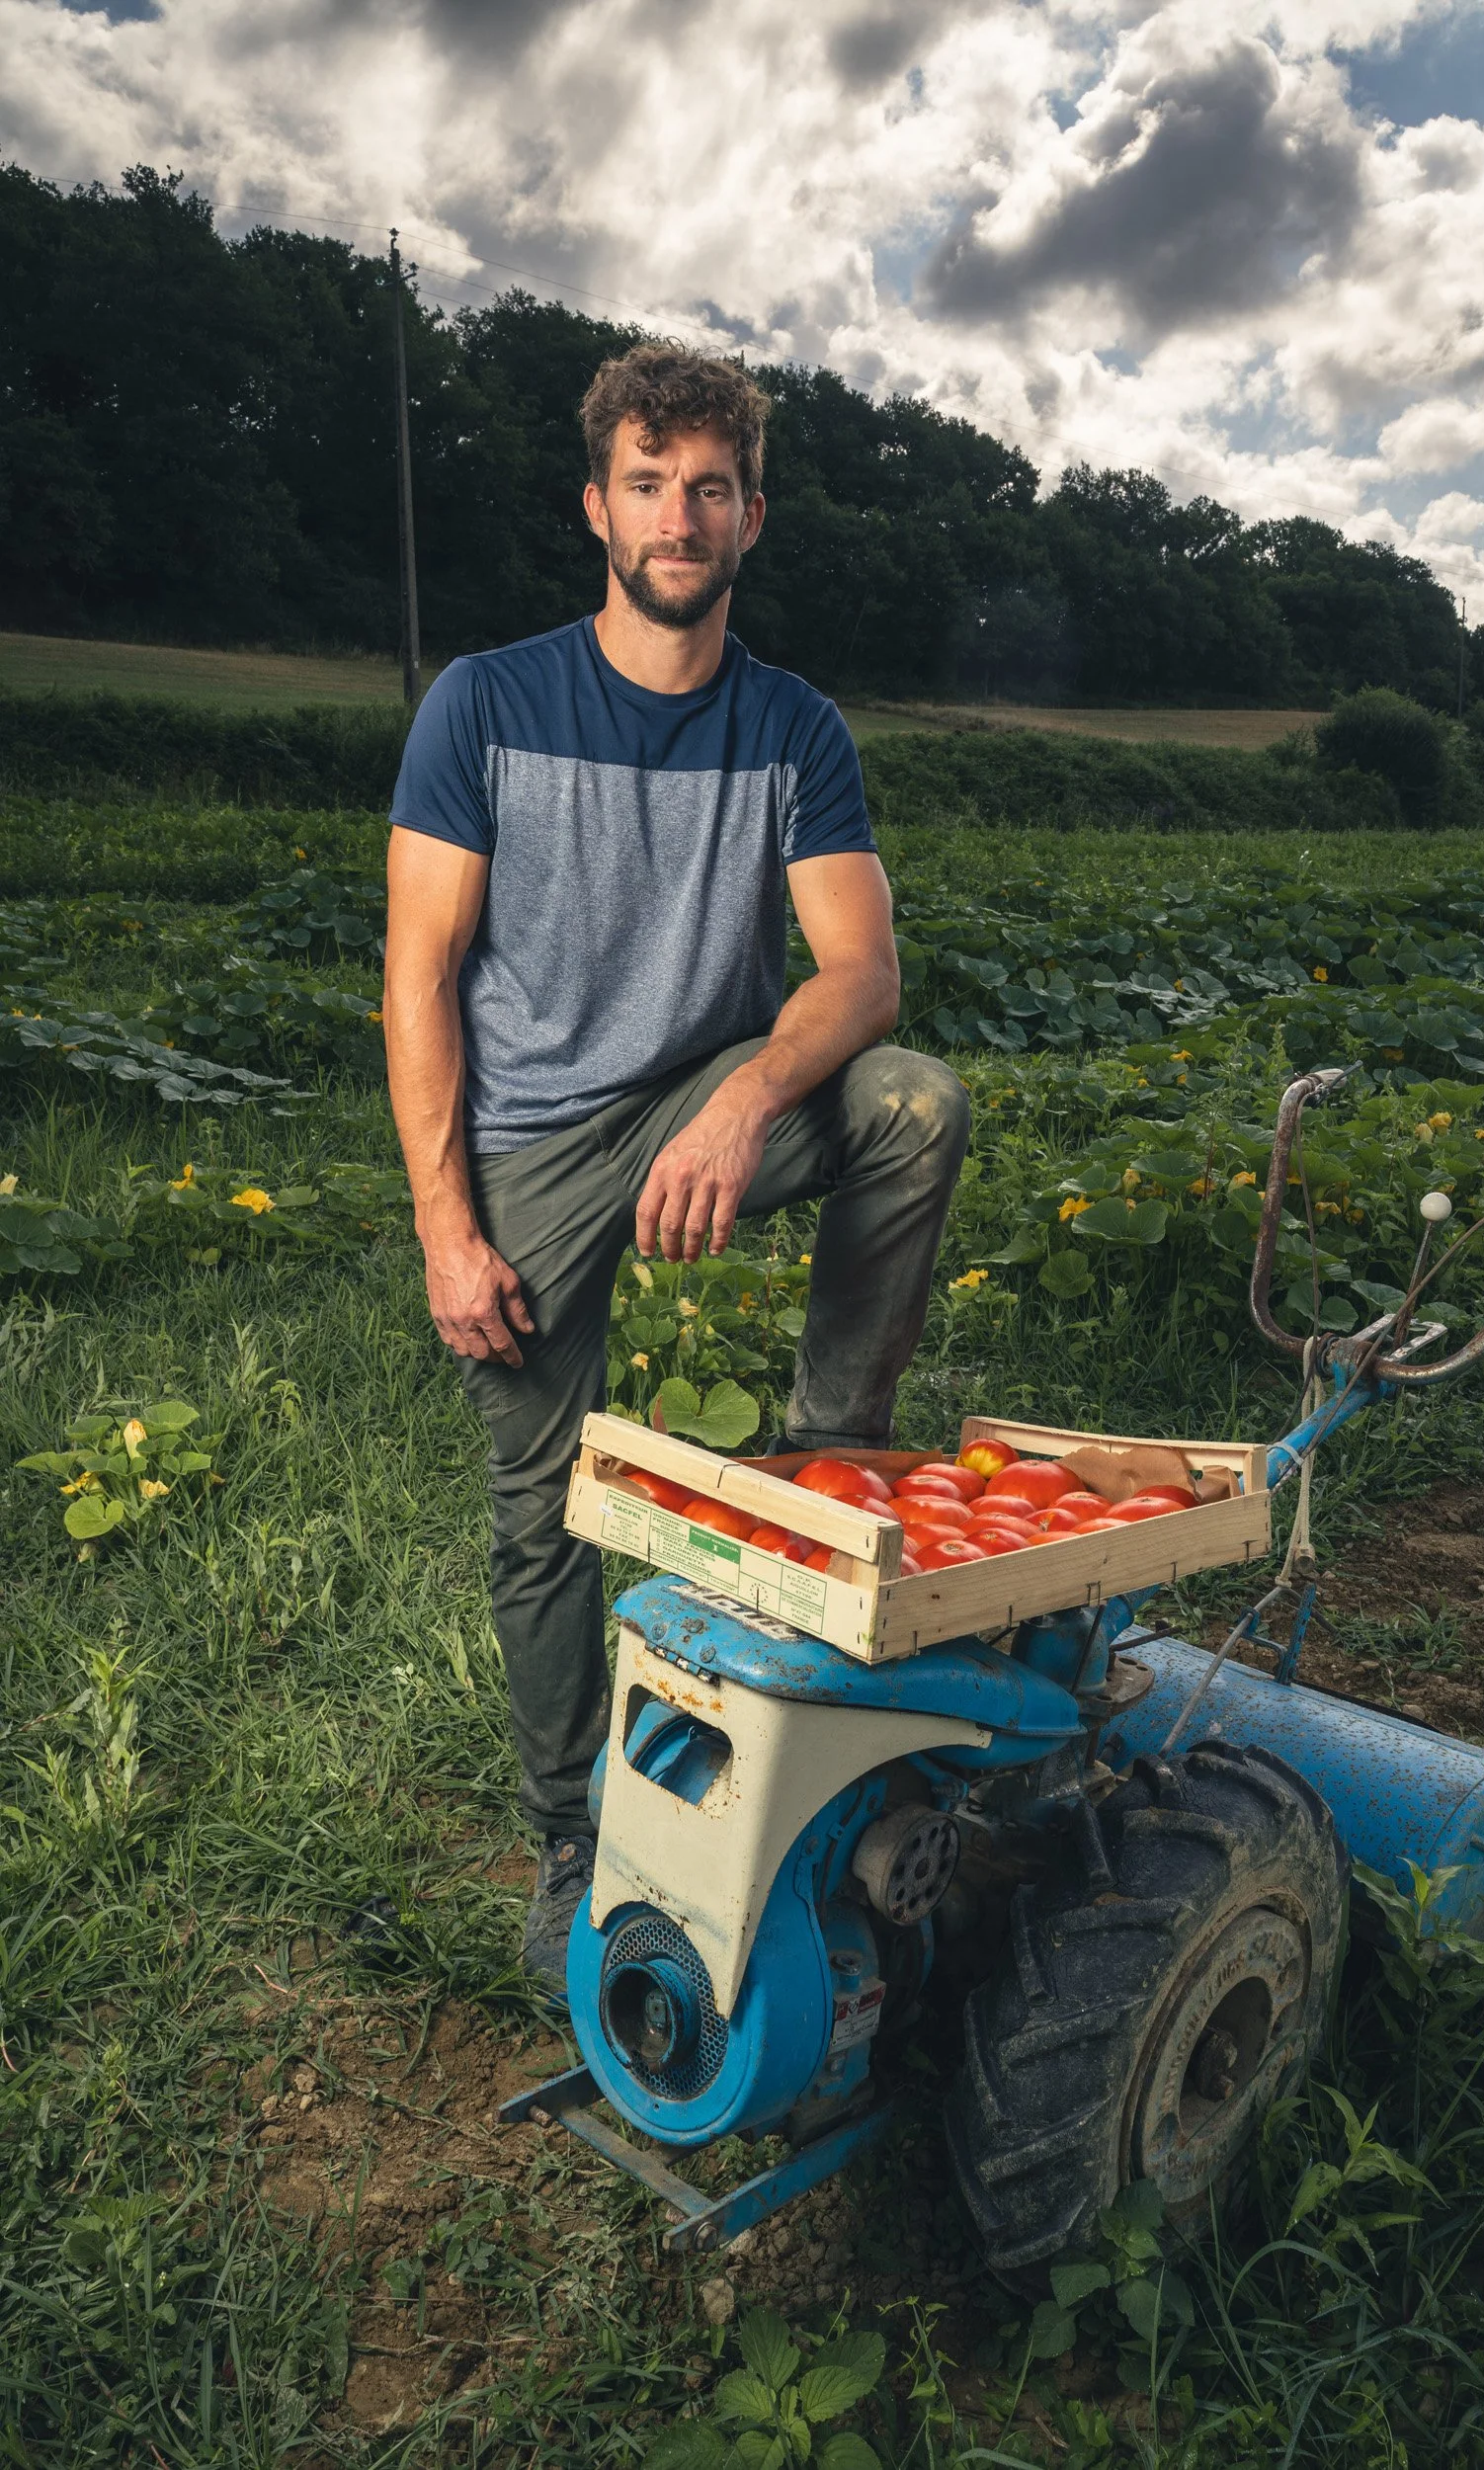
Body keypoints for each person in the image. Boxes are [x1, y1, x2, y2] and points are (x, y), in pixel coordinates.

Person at [382, 345, 969, 1992]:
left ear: (751, 517)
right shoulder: (486, 703)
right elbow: (417, 976)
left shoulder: (791, 726)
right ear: (598, 506)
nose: (678, 513)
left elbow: (860, 971)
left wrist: (739, 1104)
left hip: (706, 1087)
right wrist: (447, 1223)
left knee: (911, 1102)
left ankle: (825, 1461)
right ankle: (577, 1827)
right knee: (542, 1502)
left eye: (709, 484)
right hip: (535, 1142)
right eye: (647, 480)